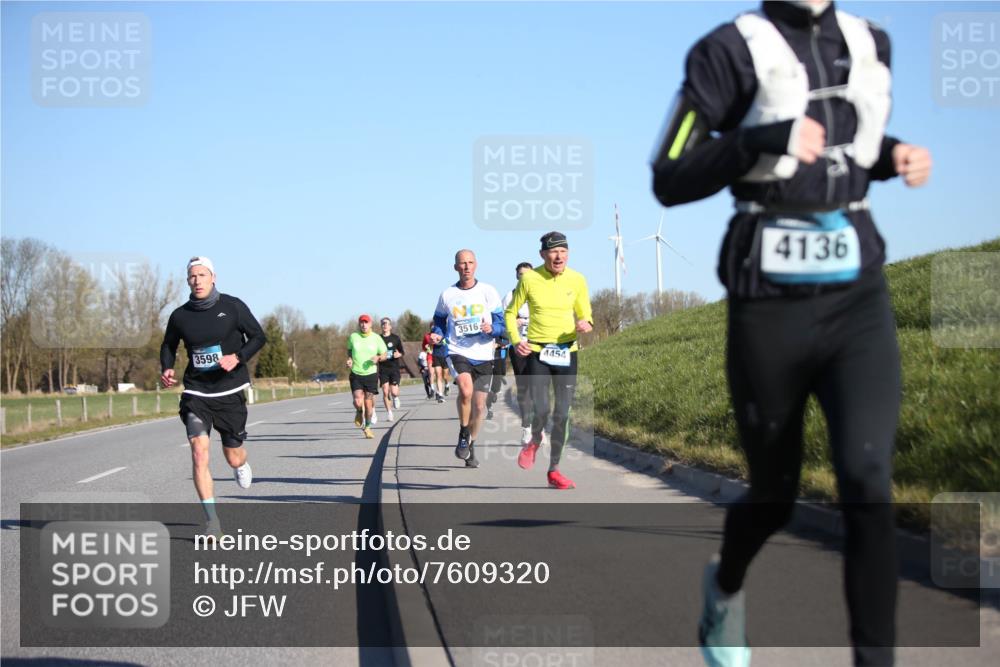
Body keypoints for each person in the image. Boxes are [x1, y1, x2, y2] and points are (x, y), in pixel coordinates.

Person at [649, 2, 932, 665]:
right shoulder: (725, 51)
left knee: (867, 477)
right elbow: (668, 176)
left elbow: (846, 153)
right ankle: (724, 587)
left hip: (856, 287)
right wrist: (760, 138)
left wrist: (895, 155)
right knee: (774, 493)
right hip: (767, 297)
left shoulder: (871, 41)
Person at [160, 256, 266, 537]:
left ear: (213, 277)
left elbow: (258, 336)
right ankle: (212, 522)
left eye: (202, 275)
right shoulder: (180, 316)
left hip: (229, 391)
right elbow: (168, 344)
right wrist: (167, 367)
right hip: (196, 392)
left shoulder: (232, 306)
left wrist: (239, 357)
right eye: (192, 276)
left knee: (232, 456)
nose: (197, 280)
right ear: (187, 281)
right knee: (199, 452)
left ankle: (241, 464)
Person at [505, 233, 593, 490]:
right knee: (542, 409)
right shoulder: (530, 279)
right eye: (553, 252)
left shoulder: (577, 279)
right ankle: (534, 440)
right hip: (538, 352)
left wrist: (586, 322)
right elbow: (511, 313)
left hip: (567, 352)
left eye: (563, 251)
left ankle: (554, 470)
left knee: (563, 414)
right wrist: (514, 339)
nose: (559, 256)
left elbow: (585, 310)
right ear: (543, 255)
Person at [431, 249, 505, 468]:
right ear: (455, 267)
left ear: (476, 265)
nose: (466, 267)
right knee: (465, 390)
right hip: (458, 350)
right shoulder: (447, 295)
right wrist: (438, 333)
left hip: (484, 353)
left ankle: (471, 443)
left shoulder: (488, 291)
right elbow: (439, 322)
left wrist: (492, 328)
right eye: (462, 263)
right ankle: (464, 432)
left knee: (480, 407)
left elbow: (501, 323)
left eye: (470, 262)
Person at [502, 261, 535, 444]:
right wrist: (512, 323)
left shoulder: (539, 294)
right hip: (519, 346)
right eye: (521, 274)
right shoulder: (510, 296)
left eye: (528, 274)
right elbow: (501, 322)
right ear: (516, 276)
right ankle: (527, 427)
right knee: (524, 387)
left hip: (538, 346)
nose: (525, 278)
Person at [347, 314, 388, 439]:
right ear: (359, 324)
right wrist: (349, 359)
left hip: (371, 374)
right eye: (362, 322)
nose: (364, 325)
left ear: (370, 324)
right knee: (358, 401)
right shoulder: (353, 337)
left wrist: (379, 357)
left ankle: (368, 427)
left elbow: (385, 354)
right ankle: (359, 411)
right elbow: (349, 350)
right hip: (356, 373)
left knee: (368, 404)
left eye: (366, 322)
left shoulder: (376, 338)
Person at [378, 317, 404, 421]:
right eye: (383, 324)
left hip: (394, 368)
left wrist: (399, 354)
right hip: (383, 368)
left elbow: (402, 351)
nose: (385, 325)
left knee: (393, 392)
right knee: (385, 391)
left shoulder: (395, 338)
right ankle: (389, 413)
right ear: (381, 326)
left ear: (390, 326)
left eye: (387, 324)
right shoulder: (377, 339)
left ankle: (396, 397)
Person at [427, 324, 448, 403]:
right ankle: (440, 395)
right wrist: (430, 345)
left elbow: (448, 341)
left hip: (445, 355)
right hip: (436, 355)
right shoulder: (433, 330)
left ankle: (447, 385)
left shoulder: (446, 328)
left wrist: (442, 339)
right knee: (438, 375)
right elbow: (430, 342)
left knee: (445, 376)